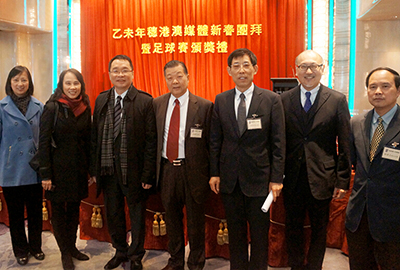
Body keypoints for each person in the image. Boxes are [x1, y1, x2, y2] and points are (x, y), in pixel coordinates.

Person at [209, 48, 285, 270]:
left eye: (245, 65)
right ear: (229, 71)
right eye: (236, 66)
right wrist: (215, 172)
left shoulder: (271, 100)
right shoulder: (221, 100)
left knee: (260, 233)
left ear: (255, 69)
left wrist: (276, 178)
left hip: (260, 180)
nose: (241, 70)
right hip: (230, 180)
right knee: (236, 232)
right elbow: (215, 140)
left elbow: (278, 142)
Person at [281, 50, 351, 270]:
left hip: (323, 177)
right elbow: (278, 142)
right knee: (292, 228)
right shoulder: (283, 100)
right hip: (291, 178)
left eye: (314, 66)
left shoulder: (337, 100)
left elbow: (345, 143)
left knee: (320, 230)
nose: (309, 71)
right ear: (295, 71)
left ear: (323, 69)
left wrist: (342, 180)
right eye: (303, 67)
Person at [90, 54, 157, 270]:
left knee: (137, 215)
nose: (120, 74)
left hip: (134, 172)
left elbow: (151, 141)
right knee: (114, 213)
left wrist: (148, 174)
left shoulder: (145, 101)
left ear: (132, 73)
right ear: (110, 74)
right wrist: (94, 169)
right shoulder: (101, 99)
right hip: (108, 170)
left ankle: (136, 254)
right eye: (116, 70)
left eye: (124, 70)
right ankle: (120, 251)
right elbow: (95, 138)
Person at [154, 60, 213, 270]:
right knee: (172, 219)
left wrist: (213, 173)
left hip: (194, 171)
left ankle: (196, 262)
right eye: (169, 77)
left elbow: (211, 145)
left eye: (179, 75)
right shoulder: (157, 104)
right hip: (167, 169)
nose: (175, 81)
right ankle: (175, 260)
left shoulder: (204, 106)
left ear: (188, 77)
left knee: (196, 221)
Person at [345, 67, 400, 270]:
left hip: (393, 217)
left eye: (385, 86)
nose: (378, 91)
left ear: (398, 90)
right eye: (373, 87)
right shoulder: (356, 122)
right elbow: (351, 162)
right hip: (359, 215)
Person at [38, 69, 91, 270]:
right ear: (61, 85)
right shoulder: (52, 107)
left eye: (76, 83)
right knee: (59, 214)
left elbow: (88, 141)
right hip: (57, 172)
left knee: (74, 212)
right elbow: (43, 142)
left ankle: (72, 247)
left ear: (81, 85)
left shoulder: (85, 107)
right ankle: (65, 253)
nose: (72, 87)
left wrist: (90, 169)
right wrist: (45, 174)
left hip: (78, 171)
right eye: (68, 83)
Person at [0, 66, 44, 265]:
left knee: (35, 211)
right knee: (16, 214)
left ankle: (36, 246)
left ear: (29, 83)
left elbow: (44, 137)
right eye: (16, 80)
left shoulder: (39, 106)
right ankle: (20, 249)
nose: (20, 84)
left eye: (24, 80)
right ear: (10, 83)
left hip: (34, 167)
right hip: (11, 168)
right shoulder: (2, 108)